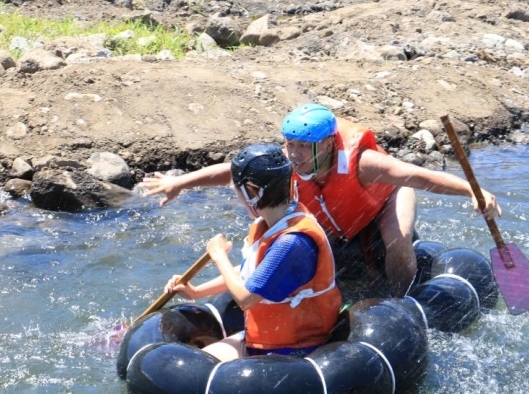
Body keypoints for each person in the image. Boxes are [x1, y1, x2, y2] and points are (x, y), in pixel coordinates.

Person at [143, 103, 502, 298]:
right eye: (290, 144)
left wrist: (473, 191)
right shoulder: (288, 159)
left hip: (385, 201)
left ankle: (402, 301)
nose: (294, 154)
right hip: (339, 217)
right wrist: (181, 183)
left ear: (328, 144)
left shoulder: (362, 162)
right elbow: (235, 170)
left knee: (396, 242)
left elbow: (415, 176)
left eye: (303, 147)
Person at [164, 144, 342, 362]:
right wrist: (196, 292)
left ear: (254, 192)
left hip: (297, 348)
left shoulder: (292, 243)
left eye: (237, 191)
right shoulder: (274, 221)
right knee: (190, 366)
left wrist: (219, 256)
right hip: (266, 339)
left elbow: (246, 299)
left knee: (194, 372)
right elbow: (251, 273)